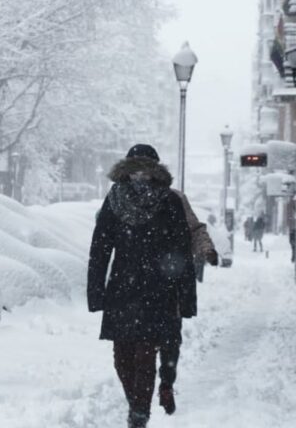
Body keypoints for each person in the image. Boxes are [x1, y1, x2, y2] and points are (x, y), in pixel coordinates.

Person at [88, 144, 197, 428]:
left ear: (154, 170)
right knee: (121, 358)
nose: (140, 174)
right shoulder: (114, 199)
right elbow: (100, 248)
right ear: (128, 169)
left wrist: (184, 296)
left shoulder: (169, 201)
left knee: (144, 355)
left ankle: (139, 414)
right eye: (135, 168)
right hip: (122, 289)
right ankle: (138, 405)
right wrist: (95, 292)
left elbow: (181, 251)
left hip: (156, 289)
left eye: (144, 168)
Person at [157, 189, 218, 415]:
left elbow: (195, 229)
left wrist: (206, 250)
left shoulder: (174, 198)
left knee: (167, 339)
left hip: (163, 283)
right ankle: (160, 385)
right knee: (166, 340)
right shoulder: (128, 196)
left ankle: (163, 385)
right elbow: (195, 229)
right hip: (158, 283)